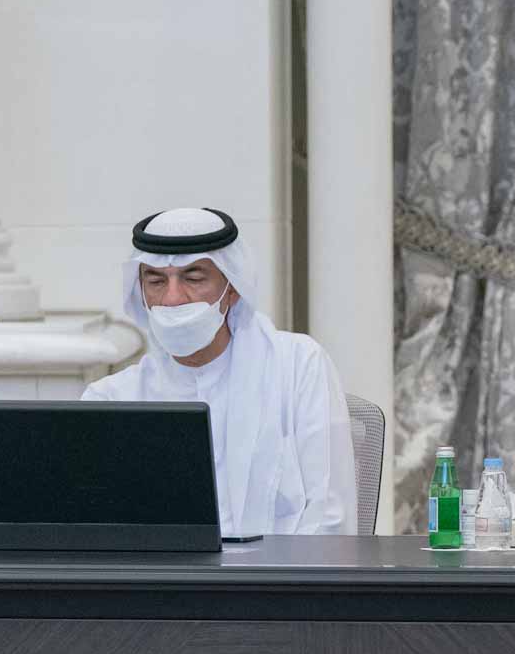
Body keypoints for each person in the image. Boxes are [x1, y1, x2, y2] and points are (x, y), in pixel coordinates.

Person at [84, 207, 357, 536]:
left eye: (193, 278)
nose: (173, 298)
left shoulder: (298, 366)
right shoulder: (111, 400)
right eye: (156, 281)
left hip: (282, 568)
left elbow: (330, 518)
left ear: (232, 287)